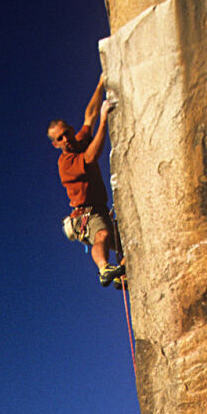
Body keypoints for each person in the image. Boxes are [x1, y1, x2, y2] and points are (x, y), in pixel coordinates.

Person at [48, 74, 124, 285]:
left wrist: (100, 84)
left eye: (66, 133)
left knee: (124, 242)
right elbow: (90, 157)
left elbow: (89, 116)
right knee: (102, 235)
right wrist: (105, 121)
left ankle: (121, 276)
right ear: (55, 144)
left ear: (70, 130)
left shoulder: (77, 140)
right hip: (86, 214)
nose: (66, 139)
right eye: (59, 138)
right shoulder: (66, 163)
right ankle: (104, 268)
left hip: (100, 208)